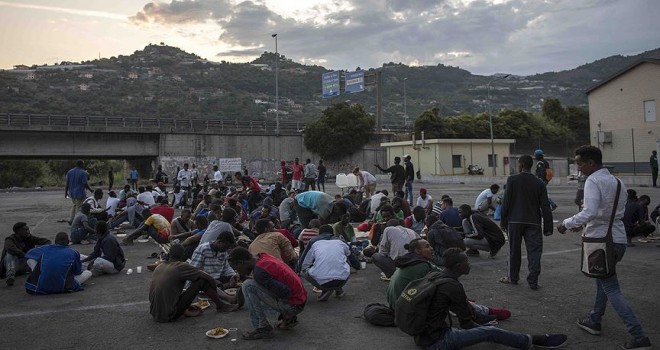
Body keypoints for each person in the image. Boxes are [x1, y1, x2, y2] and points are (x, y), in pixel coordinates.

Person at [557, 145, 652, 350]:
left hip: (600, 242)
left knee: (611, 287)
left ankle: (639, 336)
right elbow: (607, 212)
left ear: (591, 163)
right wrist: (583, 223)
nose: (578, 168)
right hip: (617, 239)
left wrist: (566, 223)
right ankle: (595, 320)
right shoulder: (617, 181)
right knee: (603, 281)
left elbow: (589, 211)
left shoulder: (593, 180)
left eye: (580, 163)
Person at [406, 248, 568, 349]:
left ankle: (489, 318)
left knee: (479, 318)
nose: (469, 265)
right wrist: (482, 328)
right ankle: (531, 341)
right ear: (458, 267)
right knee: (490, 331)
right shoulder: (453, 287)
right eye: (466, 262)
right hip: (438, 342)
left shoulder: (437, 276)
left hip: (423, 337)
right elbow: (466, 324)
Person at [228, 247, 307, 340]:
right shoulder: (262, 257)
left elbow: (285, 292)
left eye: (237, 269)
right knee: (253, 287)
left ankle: (262, 328)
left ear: (241, 262)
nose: (238, 272)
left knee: (248, 286)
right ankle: (287, 319)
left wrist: (285, 312)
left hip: (293, 305)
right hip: (300, 300)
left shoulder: (259, 272)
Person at [499, 155, 553, 289]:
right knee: (534, 252)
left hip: (515, 221)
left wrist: (503, 221)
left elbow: (506, 202)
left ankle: (513, 277)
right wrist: (548, 227)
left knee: (514, 251)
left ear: (521, 165)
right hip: (533, 222)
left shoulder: (512, 180)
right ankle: (533, 281)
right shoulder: (539, 183)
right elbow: (546, 206)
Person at [149, 244, 231, 322]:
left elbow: (163, 293)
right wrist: (216, 288)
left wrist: (186, 306)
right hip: (169, 314)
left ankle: (221, 304)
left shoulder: (159, 266)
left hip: (155, 313)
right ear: (183, 254)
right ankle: (221, 305)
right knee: (202, 281)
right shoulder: (180, 266)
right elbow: (208, 277)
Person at [24, 231, 92, 294]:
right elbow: (77, 272)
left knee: (30, 259)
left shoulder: (45, 248)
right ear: (68, 242)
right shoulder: (73, 252)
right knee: (88, 273)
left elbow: (29, 253)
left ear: (55, 241)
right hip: (63, 286)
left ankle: (41, 276)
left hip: (41, 286)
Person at [300, 233, 351, 301]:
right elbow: (349, 254)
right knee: (344, 262)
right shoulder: (340, 242)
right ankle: (338, 289)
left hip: (323, 282)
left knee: (303, 272)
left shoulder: (315, 243)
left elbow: (305, 264)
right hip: (342, 280)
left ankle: (325, 289)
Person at [65, 159, 93, 224]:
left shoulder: (70, 172)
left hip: (72, 193)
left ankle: (71, 219)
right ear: (81, 165)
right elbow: (85, 183)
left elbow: (67, 183)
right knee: (79, 207)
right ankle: (76, 221)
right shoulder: (83, 172)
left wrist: (65, 192)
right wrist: (90, 189)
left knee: (75, 205)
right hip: (80, 193)